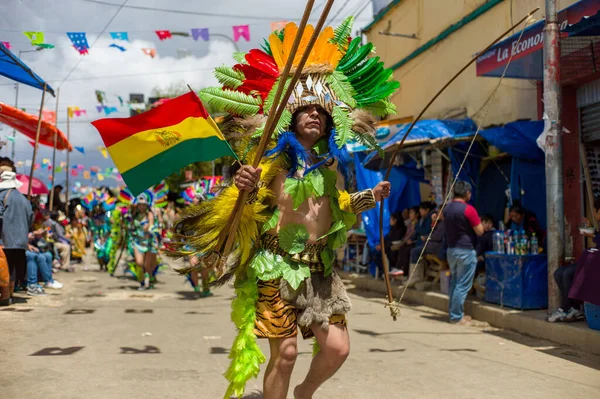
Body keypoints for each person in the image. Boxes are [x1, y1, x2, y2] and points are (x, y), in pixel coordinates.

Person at [173, 19, 396, 399]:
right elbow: (241, 212)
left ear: (329, 125)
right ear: (290, 118)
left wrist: (369, 197)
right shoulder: (271, 163)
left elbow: (339, 209)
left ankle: (304, 393)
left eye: (322, 114)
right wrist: (242, 187)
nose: (315, 115)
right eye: (307, 110)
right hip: (275, 266)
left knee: (338, 348)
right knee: (287, 352)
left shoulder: (332, 167)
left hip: (319, 269)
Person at [443, 181, 484, 324]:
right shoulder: (469, 210)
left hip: (451, 250)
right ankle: (456, 316)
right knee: (462, 284)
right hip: (465, 250)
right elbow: (480, 231)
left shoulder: (447, 209)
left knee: (455, 282)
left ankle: (454, 313)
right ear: (467, 194)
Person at [0, 167, 33, 302]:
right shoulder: (24, 199)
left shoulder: (1, 196)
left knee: (5, 266)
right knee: (12, 266)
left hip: (5, 238)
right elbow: (31, 218)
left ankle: (6, 295)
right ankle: (11, 293)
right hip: (20, 240)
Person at [131, 192, 159, 290]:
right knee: (139, 263)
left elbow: (151, 224)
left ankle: (148, 281)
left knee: (147, 266)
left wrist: (149, 227)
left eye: (143, 205)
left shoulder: (149, 214)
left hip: (149, 242)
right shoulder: (134, 214)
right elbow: (130, 226)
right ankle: (142, 281)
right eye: (140, 204)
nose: (142, 207)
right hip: (137, 242)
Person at [375, 212, 407, 277]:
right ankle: (384, 271)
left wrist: (383, 246)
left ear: (395, 220)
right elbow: (387, 238)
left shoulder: (401, 229)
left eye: (391, 219)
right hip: (387, 247)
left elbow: (395, 241)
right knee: (376, 255)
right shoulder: (392, 229)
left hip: (393, 248)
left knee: (389, 255)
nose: (390, 221)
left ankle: (389, 272)